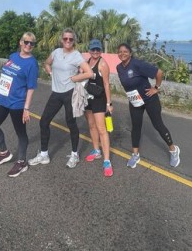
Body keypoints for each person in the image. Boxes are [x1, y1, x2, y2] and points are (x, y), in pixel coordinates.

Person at [29, 28, 93, 168]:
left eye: (70, 39)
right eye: (65, 38)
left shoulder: (76, 55)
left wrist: (75, 78)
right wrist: (50, 73)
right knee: (44, 122)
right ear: (61, 40)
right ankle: (44, 155)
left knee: (71, 123)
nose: (68, 41)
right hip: (56, 93)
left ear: (74, 41)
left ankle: (74, 155)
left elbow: (89, 73)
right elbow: (47, 63)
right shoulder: (56, 52)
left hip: (70, 92)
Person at [116, 43, 181, 168]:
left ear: (130, 53)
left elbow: (159, 72)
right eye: (120, 51)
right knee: (136, 127)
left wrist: (156, 88)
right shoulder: (119, 68)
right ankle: (135, 155)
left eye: (125, 51)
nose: (122, 53)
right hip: (135, 101)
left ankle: (173, 150)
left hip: (149, 99)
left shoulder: (137, 64)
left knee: (158, 125)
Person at [0, 32, 39, 178]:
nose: (28, 45)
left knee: (20, 133)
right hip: (3, 99)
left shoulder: (32, 64)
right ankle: (4, 153)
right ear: (21, 42)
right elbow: (5, 75)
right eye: (26, 42)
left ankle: (22, 162)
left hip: (17, 103)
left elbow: (31, 87)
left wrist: (26, 108)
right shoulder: (13, 56)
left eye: (32, 43)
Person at [83, 38, 114, 177]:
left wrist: (109, 103)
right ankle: (96, 150)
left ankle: (107, 161)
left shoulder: (103, 64)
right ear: (89, 50)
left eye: (97, 49)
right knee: (91, 125)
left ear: (100, 50)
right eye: (93, 49)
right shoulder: (87, 62)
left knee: (102, 129)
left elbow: (107, 84)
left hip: (99, 99)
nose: (95, 51)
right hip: (88, 98)